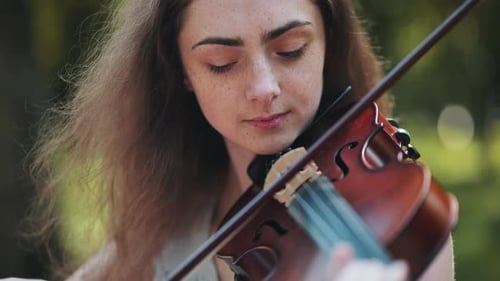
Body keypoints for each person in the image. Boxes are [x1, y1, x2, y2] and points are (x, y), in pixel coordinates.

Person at [5, 0, 455, 280]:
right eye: (222, 63)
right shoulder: (166, 231)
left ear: (327, 42)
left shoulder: (404, 222)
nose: (263, 88)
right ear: (182, 72)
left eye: (290, 49)